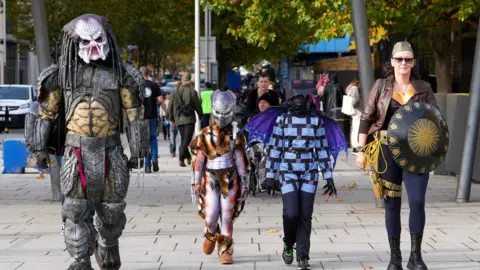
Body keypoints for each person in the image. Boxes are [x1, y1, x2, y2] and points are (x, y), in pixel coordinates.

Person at [24, 14, 149, 270]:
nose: (93, 46)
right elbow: (46, 114)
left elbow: (134, 114)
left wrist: (138, 150)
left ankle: (108, 245)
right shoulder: (60, 76)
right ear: (74, 43)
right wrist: (39, 149)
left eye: (98, 39)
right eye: (85, 41)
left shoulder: (121, 75)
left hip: (111, 151)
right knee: (74, 210)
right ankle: (80, 261)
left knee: (113, 212)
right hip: (75, 151)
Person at [241, 92, 348, 270]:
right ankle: (288, 243)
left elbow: (322, 149)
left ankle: (303, 255)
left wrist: (328, 177)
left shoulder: (316, 121)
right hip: (287, 170)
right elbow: (275, 148)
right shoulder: (282, 120)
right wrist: (269, 175)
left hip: (310, 171)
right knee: (291, 213)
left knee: (305, 215)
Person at [356, 41, 438, 270]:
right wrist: (361, 151)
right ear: (392, 62)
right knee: (391, 204)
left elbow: (436, 119)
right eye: (399, 59)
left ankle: (415, 256)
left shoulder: (424, 88)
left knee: (418, 202)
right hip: (385, 151)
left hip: (417, 153)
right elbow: (367, 117)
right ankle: (395, 258)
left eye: (408, 59)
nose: (403, 63)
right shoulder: (381, 86)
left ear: (413, 62)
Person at [188, 89, 248, 265]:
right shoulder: (205, 134)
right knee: (212, 214)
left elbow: (240, 161)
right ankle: (210, 234)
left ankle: (225, 249)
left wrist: (244, 182)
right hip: (210, 178)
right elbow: (199, 160)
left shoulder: (236, 135)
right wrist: (195, 182)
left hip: (230, 178)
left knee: (227, 216)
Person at [167, 72, 202, 167]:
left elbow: (170, 105)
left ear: (182, 80)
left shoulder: (175, 91)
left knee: (184, 139)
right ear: (190, 80)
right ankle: (183, 157)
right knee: (186, 140)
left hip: (178, 118)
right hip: (189, 119)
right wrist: (200, 115)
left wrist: (170, 117)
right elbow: (197, 105)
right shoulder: (192, 92)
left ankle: (183, 158)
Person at [140, 67, 164, 173]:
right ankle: (154, 158)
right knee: (153, 138)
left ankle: (147, 166)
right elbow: (160, 100)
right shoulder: (154, 85)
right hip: (153, 116)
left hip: (142, 117)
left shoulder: (137, 85)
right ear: (148, 73)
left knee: (145, 140)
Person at [345, 78, 363, 153]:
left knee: (354, 128)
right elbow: (355, 101)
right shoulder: (355, 88)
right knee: (357, 128)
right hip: (357, 111)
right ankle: (356, 146)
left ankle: (354, 145)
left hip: (353, 112)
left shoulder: (349, 88)